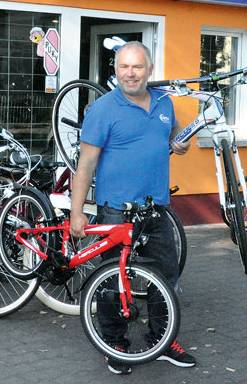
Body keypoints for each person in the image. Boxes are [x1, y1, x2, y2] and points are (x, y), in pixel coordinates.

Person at [69, 41, 195, 375]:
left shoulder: (165, 102)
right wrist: (77, 211)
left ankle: (162, 341)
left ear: (149, 70)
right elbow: (85, 166)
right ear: (115, 70)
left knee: (166, 278)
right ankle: (115, 346)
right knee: (112, 282)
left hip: (156, 210)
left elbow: (176, 135)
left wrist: (181, 143)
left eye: (137, 67)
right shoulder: (102, 110)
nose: (130, 73)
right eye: (124, 67)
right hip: (116, 211)